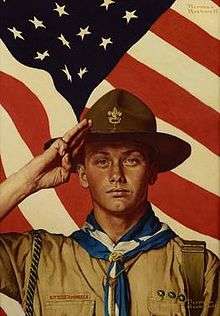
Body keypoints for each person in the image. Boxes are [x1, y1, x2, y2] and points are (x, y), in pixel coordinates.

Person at [0, 89, 219, 316]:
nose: (116, 174)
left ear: (152, 171)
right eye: (102, 161)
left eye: (131, 160)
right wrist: (28, 180)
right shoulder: (38, 258)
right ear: (83, 174)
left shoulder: (197, 267)